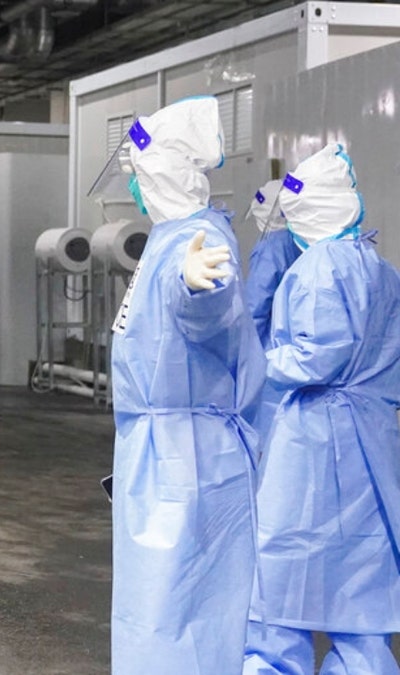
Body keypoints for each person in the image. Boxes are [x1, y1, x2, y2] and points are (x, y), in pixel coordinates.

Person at [107, 96, 264, 675]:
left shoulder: (193, 240)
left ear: (161, 174)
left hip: (188, 455)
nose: (134, 189)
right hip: (164, 450)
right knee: (160, 609)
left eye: (138, 176)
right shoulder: (169, 236)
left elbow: (201, 303)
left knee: (179, 609)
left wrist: (199, 289)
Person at [244, 143, 400, 675]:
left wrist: (250, 363)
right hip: (372, 441)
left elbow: (314, 356)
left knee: (279, 590)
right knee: (359, 593)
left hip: (316, 441)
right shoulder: (378, 267)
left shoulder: (318, 269)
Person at [245, 179, 301, 348]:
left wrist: (246, 352)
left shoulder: (270, 250)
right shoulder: (301, 240)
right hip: (296, 336)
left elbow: (257, 304)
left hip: (274, 345)